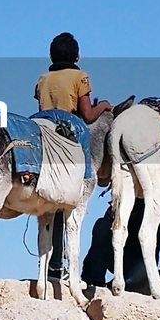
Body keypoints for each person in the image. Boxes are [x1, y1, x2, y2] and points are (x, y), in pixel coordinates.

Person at [35, 32, 111, 275]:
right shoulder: (81, 77)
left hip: (44, 132)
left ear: (51, 55)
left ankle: (52, 265)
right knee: (77, 193)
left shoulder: (43, 79)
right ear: (77, 56)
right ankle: (64, 265)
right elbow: (88, 116)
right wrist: (105, 106)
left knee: (51, 209)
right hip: (69, 135)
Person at [78, 199, 160, 294]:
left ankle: (111, 286)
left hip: (142, 262)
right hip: (117, 258)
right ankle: (96, 282)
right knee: (102, 224)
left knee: (134, 278)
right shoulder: (121, 204)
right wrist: (87, 274)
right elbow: (99, 240)